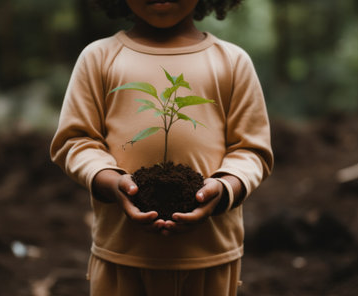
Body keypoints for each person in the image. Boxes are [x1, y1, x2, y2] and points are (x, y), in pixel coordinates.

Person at [50, 0, 274, 295]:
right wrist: (113, 183)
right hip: (123, 253)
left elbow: (252, 150)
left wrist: (222, 190)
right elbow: (76, 141)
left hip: (208, 254)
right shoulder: (100, 58)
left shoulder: (231, 62)